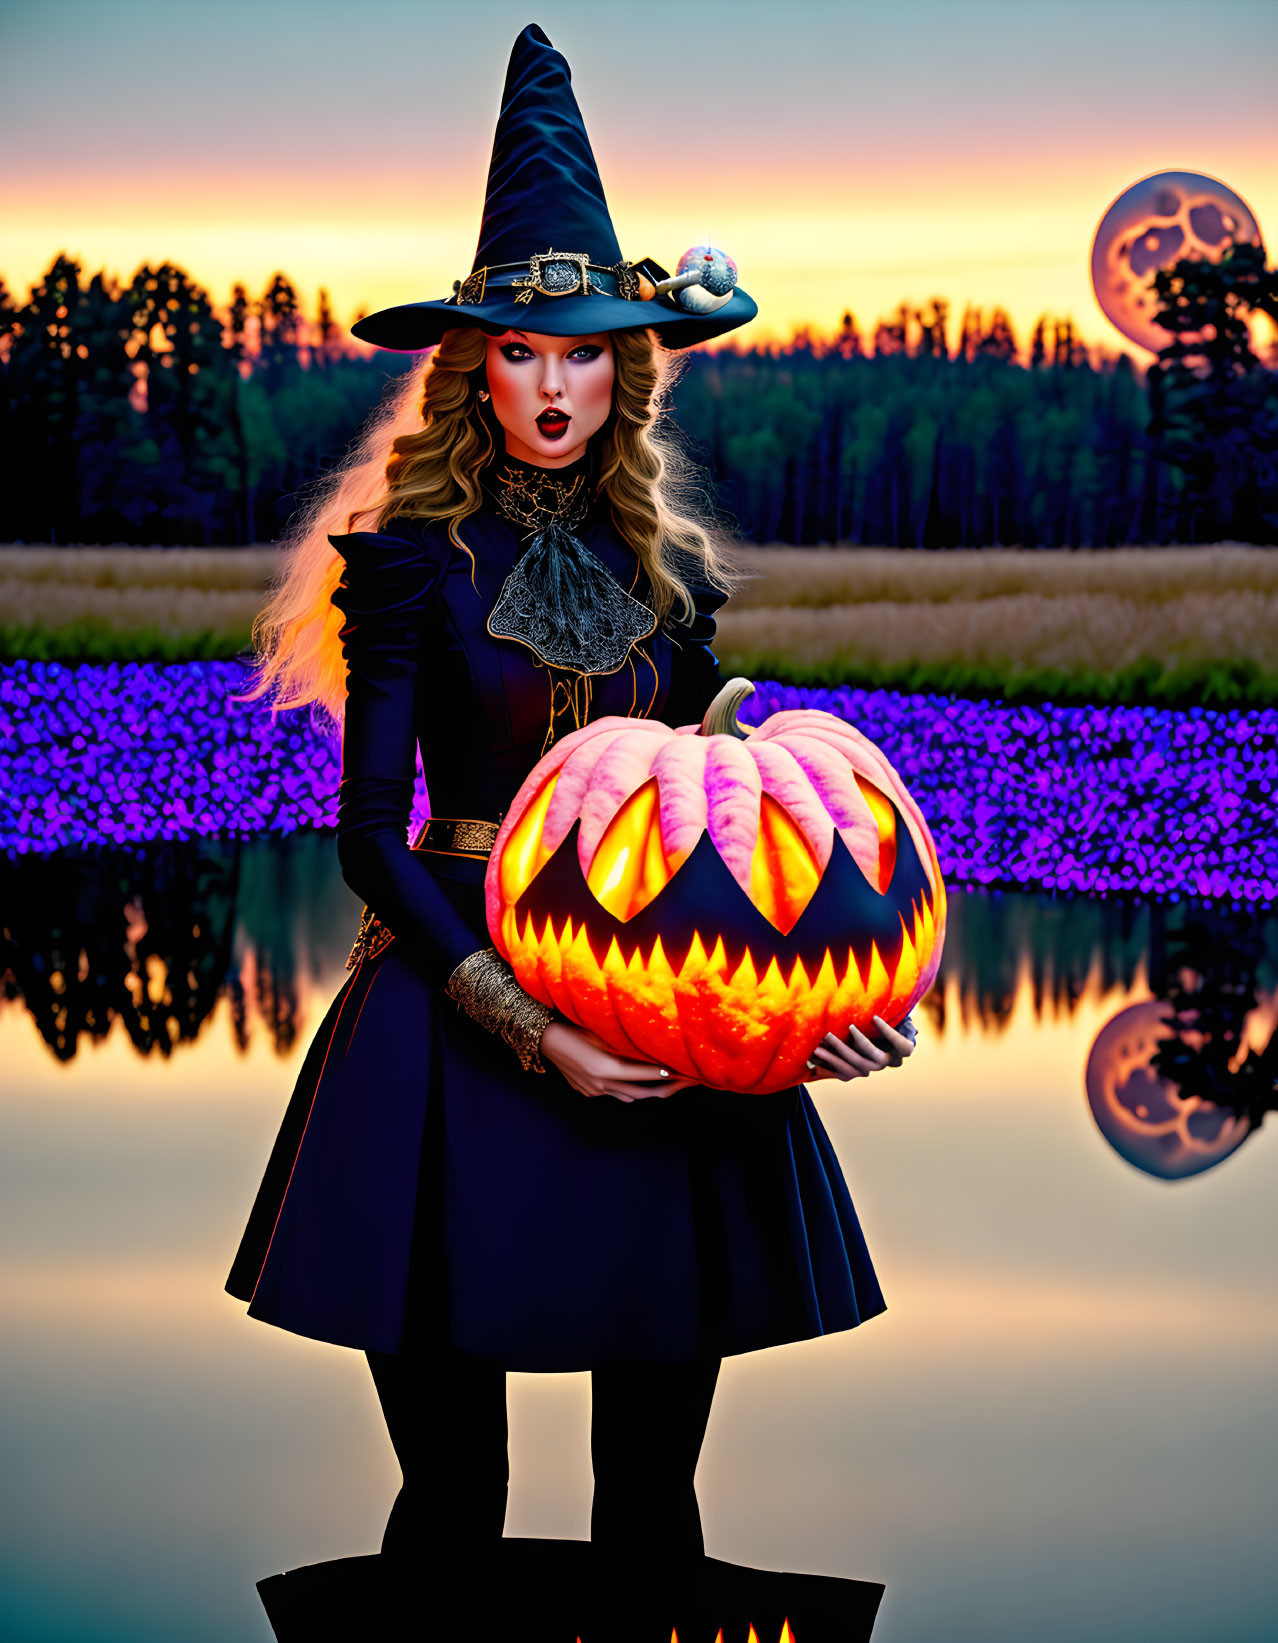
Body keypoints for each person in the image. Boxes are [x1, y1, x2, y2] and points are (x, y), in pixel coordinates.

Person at [226, 21, 915, 1601]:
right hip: (445, 1034)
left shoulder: (675, 582)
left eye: (585, 350)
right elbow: (368, 836)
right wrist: (525, 1026)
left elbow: (718, 819)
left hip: (670, 1034)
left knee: (653, 1513)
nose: (551, 386)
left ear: (630, 364)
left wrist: (822, 1006)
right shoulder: (409, 558)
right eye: (522, 353)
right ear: (475, 364)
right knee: (450, 1505)